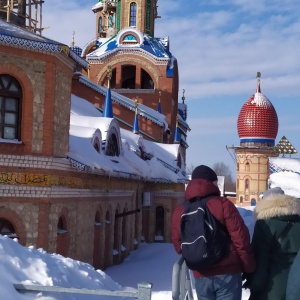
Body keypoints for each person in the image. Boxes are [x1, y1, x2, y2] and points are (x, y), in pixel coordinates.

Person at [171, 165, 255, 300]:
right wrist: (248, 267)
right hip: (228, 272)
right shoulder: (223, 204)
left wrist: (197, 256)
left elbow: (177, 243)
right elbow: (240, 238)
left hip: (201, 274)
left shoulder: (180, 211)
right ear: (211, 183)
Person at [245, 187, 300, 300]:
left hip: (271, 287)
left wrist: (255, 287)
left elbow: (260, 261)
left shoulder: (264, 224)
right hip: (296, 287)